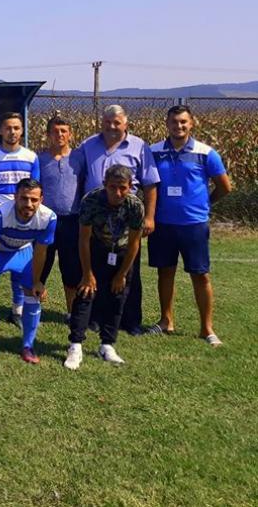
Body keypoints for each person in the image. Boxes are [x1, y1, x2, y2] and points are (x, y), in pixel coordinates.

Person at [147, 105, 232, 347]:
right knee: (165, 272)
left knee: (200, 275)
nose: (179, 126)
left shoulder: (206, 153)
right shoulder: (153, 151)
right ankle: (166, 321)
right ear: (167, 124)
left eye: (183, 122)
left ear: (191, 123)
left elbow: (225, 186)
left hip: (194, 224)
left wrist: (205, 204)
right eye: (174, 122)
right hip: (163, 224)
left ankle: (206, 328)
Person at [72, 104, 159, 335]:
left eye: (116, 122)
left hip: (126, 218)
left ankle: (130, 321)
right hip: (97, 218)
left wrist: (150, 217)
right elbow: (76, 175)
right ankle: (96, 318)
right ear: (101, 123)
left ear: (125, 124)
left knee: (129, 271)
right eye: (107, 122)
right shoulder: (88, 145)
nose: (111, 126)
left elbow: (150, 184)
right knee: (98, 268)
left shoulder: (139, 146)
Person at [64, 165, 144, 369]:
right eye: (112, 187)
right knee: (85, 293)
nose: (117, 192)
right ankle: (75, 345)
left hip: (122, 253)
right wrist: (87, 273)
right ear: (105, 184)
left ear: (130, 186)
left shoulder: (135, 205)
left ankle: (107, 344)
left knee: (117, 297)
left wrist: (122, 274)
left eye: (123, 188)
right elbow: (83, 239)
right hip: (95, 249)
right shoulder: (91, 201)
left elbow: (135, 243)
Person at [0, 178, 56, 365]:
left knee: (33, 293)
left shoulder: (49, 217)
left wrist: (37, 281)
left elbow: (41, 251)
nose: (29, 204)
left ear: (41, 199)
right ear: (15, 197)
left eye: (34, 200)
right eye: (24, 198)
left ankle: (28, 346)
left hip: (21, 250)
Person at [0, 112, 40, 330]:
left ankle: (17, 310)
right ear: (0, 131)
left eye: (16, 128)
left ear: (21, 130)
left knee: (20, 268)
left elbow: (36, 188)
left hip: (23, 221)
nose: (12, 132)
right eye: (8, 128)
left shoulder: (31, 157)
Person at [37, 115, 83, 319]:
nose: (60, 135)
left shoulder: (79, 158)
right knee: (41, 264)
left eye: (64, 131)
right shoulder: (40, 160)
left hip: (72, 220)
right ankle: (32, 306)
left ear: (70, 134)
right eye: (55, 131)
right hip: (46, 220)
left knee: (71, 267)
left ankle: (72, 311)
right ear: (48, 135)